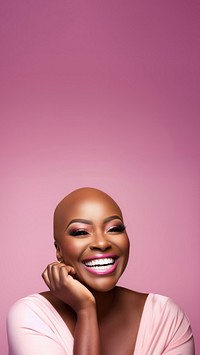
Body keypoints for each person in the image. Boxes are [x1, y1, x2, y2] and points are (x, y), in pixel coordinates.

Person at [7, 187, 195, 354]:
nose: (102, 243)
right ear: (59, 250)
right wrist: (86, 309)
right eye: (81, 232)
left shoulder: (166, 318)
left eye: (114, 228)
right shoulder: (31, 316)